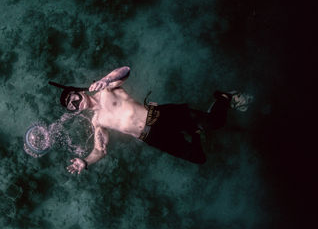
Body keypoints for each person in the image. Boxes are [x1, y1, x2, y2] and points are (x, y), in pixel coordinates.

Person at [50, 66, 252, 174]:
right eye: (71, 106)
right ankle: (195, 131)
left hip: (160, 116)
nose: (74, 103)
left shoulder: (104, 89)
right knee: (198, 158)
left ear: (77, 91)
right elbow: (100, 150)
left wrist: (106, 79)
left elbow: (125, 70)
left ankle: (225, 98)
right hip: (152, 137)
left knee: (215, 123)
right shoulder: (97, 121)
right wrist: (85, 162)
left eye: (72, 97)